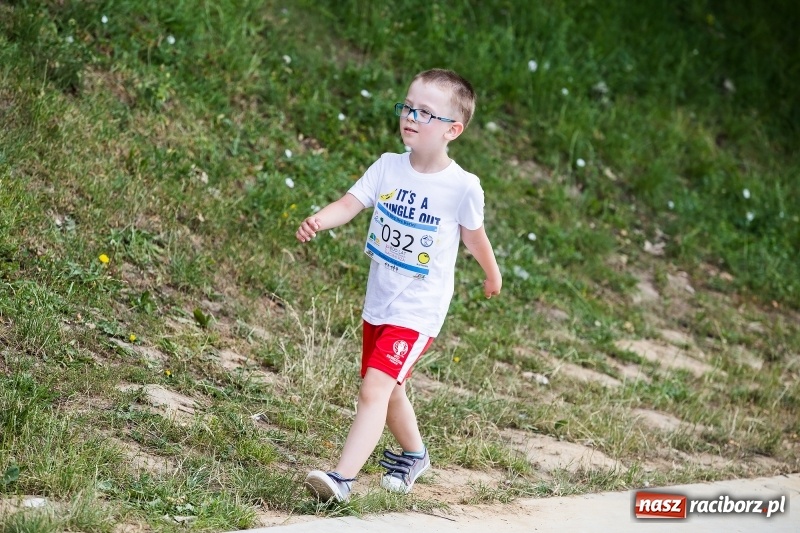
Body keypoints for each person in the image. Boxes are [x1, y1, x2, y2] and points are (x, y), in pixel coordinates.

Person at [296, 68, 502, 503]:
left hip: (419, 309)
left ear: (453, 130)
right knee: (389, 392)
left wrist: (492, 273)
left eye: (424, 112)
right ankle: (414, 454)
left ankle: (342, 480)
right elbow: (351, 203)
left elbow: (473, 236)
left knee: (374, 388)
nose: (410, 116)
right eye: (407, 106)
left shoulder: (462, 186)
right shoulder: (388, 166)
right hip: (380, 300)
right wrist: (320, 219)